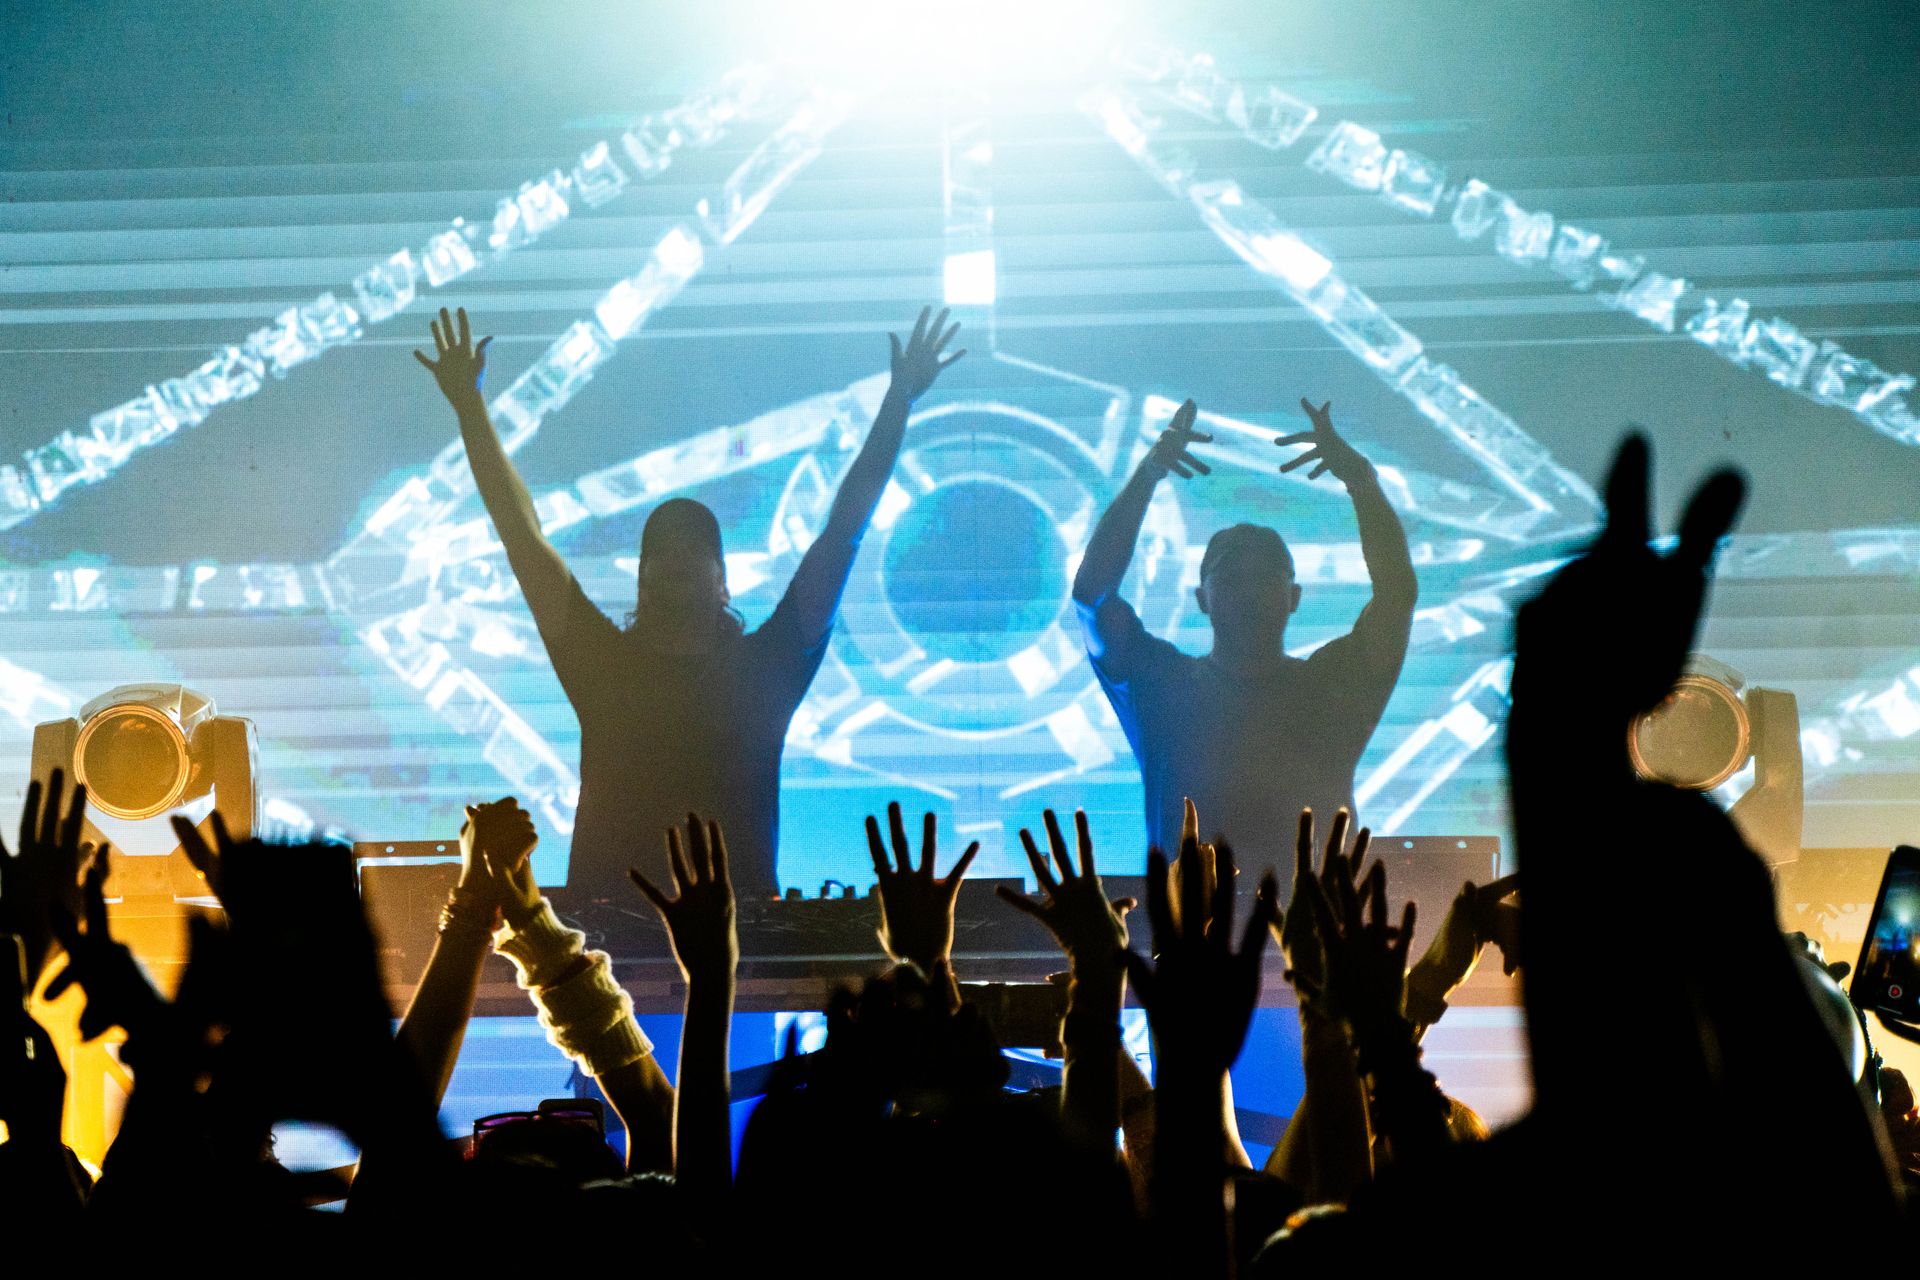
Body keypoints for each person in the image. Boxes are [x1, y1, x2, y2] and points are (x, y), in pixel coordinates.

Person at [415, 305, 964, 898]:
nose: (675, 559)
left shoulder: (769, 666)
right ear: (642, 581)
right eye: (660, 552)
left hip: (739, 951)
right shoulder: (602, 664)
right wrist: (469, 407)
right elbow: (521, 533)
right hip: (609, 948)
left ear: (722, 581)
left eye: (692, 550)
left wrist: (900, 401)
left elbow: (844, 531)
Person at [1072, 397, 1418, 864]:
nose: (1249, 592)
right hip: (1193, 937)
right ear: (1202, 599)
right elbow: (1092, 595)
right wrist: (1148, 474)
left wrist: (1362, 481)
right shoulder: (1161, 687)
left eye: (1265, 578)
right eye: (1232, 578)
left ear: (1293, 597)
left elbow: (1396, 596)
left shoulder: (1330, 687)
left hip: (1309, 936)